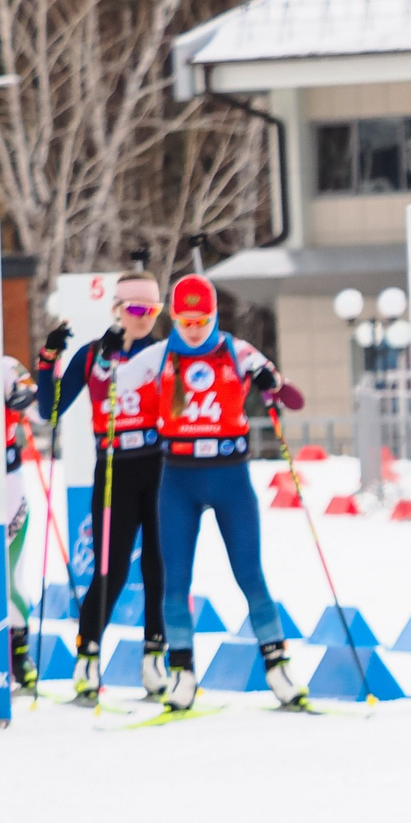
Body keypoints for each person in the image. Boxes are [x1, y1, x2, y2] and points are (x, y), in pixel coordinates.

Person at [150, 274, 305, 710]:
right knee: (175, 581)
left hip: (230, 478)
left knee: (250, 575)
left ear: (214, 316)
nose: (193, 329)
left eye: (201, 320)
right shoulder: (159, 356)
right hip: (178, 480)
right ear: (174, 318)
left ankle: (277, 668)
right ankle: (181, 673)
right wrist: (106, 359)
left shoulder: (237, 351)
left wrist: (272, 383)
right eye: (185, 321)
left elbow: (287, 393)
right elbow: (113, 379)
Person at [38, 273, 175, 702]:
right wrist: (48, 359)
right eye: (135, 309)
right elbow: (50, 410)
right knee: (109, 568)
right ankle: (88, 657)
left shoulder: (163, 352)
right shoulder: (94, 354)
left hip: (159, 467)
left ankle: (155, 658)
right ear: (117, 308)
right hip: (115, 468)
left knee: (158, 564)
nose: (144, 318)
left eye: (151, 310)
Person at [1, 354, 39, 690]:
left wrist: (26, 395)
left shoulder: (4, 366)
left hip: (5, 482)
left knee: (9, 573)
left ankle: (19, 653)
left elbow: (41, 411)